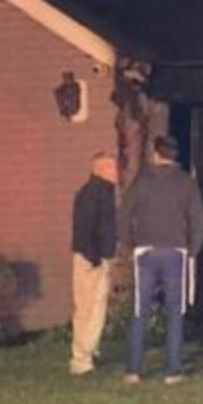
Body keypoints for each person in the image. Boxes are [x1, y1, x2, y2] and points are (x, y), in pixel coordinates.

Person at [120, 134, 203, 384]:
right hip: (175, 253)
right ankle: (172, 372)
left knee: (140, 310)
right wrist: (193, 249)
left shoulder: (142, 181)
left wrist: (129, 245)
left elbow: (124, 214)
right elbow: (198, 219)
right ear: (175, 155)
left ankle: (133, 370)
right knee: (175, 312)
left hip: (145, 251)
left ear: (156, 154)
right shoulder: (186, 183)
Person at [69, 152, 118, 376]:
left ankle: (88, 351)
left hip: (94, 257)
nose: (116, 172)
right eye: (111, 167)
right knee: (89, 309)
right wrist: (95, 259)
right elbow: (85, 229)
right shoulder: (94, 194)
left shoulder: (98, 192)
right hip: (92, 260)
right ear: (100, 169)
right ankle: (82, 359)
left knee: (91, 308)